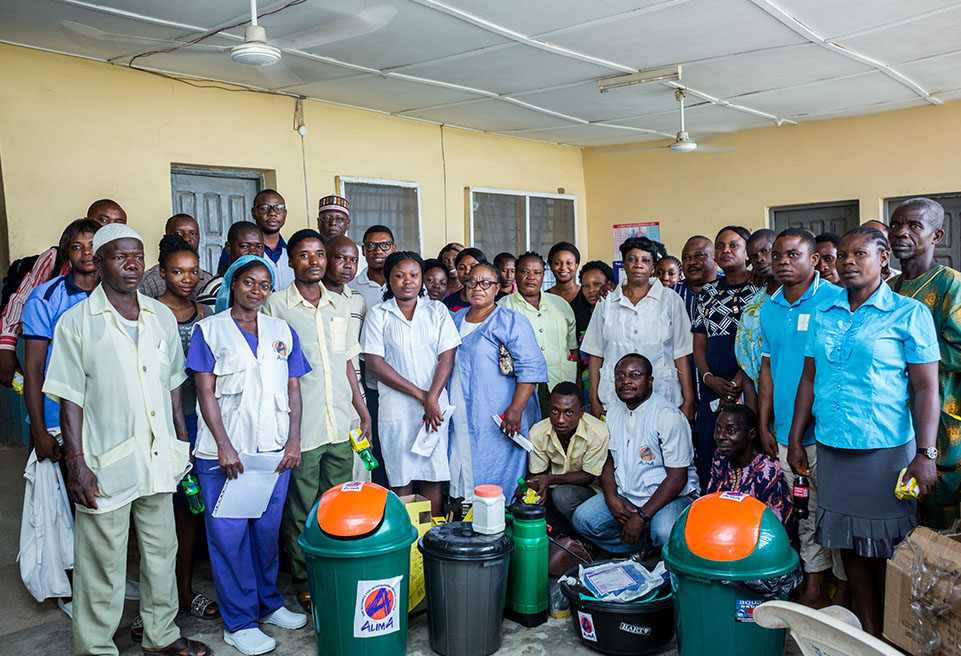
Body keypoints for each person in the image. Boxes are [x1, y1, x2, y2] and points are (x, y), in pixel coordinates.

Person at [42, 223, 211, 656]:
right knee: (103, 563)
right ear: (99, 264)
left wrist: (181, 444)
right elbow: (69, 398)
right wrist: (75, 463)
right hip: (103, 461)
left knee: (160, 553)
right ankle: (95, 647)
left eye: (136, 255)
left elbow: (174, 385)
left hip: (158, 458)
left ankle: (162, 636)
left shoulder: (159, 317)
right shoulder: (76, 322)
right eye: (120, 256)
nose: (132, 264)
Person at [786, 226, 940, 636]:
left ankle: (899, 634)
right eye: (842, 256)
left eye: (860, 254)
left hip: (886, 451)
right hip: (833, 447)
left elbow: (926, 388)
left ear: (883, 258)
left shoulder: (909, 313)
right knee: (850, 544)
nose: (848, 262)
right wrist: (798, 437)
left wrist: (925, 454)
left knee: (890, 548)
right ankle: (869, 632)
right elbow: (808, 378)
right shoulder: (823, 313)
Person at [188, 255, 309, 654]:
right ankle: (238, 622)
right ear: (232, 284)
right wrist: (223, 445)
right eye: (248, 282)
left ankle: (268, 603)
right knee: (229, 539)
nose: (256, 291)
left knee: (264, 535)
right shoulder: (209, 331)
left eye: (264, 285)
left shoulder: (281, 330)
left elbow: (293, 390)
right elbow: (205, 392)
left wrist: (293, 441)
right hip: (224, 456)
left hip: (272, 453)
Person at [264, 229, 372, 613]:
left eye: (319, 255)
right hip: (302, 428)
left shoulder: (341, 306)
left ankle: (335, 567)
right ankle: (304, 578)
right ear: (290, 262)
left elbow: (347, 363)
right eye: (304, 255)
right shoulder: (275, 306)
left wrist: (362, 411)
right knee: (300, 508)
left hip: (341, 422)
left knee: (337, 504)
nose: (314, 261)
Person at [758, 227, 846, 608]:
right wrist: (764, 423)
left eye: (793, 255)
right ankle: (814, 582)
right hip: (782, 431)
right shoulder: (769, 306)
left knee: (834, 510)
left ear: (814, 260)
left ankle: (843, 587)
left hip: (826, 431)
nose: (783, 262)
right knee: (803, 509)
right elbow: (766, 369)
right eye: (777, 255)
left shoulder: (835, 299)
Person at [20, 219, 100, 617]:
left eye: (94, 246)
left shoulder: (115, 293)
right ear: (65, 253)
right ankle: (73, 586)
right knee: (70, 501)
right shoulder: (45, 296)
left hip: (106, 417)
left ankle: (104, 575)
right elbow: (33, 369)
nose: (87, 254)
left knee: (106, 501)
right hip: (58, 416)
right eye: (78, 247)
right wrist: (38, 429)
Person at [152, 235, 220, 623]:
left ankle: (183, 589)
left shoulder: (204, 314)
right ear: (162, 273)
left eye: (193, 271)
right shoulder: (148, 312)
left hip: (198, 421)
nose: (187, 278)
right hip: (160, 423)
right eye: (177, 271)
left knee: (189, 509)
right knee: (155, 512)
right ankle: (155, 600)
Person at [362, 252, 461, 516]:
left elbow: (446, 357)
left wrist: (432, 398)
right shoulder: (378, 314)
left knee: (432, 474)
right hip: (396, 408)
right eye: (400, 275)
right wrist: (422, 396)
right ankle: (409, 545)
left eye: (414, 275)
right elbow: (375, 363)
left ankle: (431, 542)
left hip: (436, 404)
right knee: (401, 475)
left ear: (422, 280)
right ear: (388, 280)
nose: (408, 281)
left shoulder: (437, 311)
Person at [572, 354, 699, 555]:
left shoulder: (668, 416)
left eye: (635, 375)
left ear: (650, 381)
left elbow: (677, 478)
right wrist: (611, 497)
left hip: (671, 498)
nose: (626, 381)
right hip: (628, 496)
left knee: (665, 532)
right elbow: (608, 459)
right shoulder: (613, 412)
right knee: (583, 520)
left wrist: (641, 517)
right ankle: (644, 548)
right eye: (620, 376)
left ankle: (655, 543)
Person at [888, 198, 961, 529]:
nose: (901, 232)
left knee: (940, 533)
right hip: (893, 424)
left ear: (936, 235)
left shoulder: (951, 285)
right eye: (896, 225)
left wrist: (904, 356)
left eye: (914, 226)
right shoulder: (887, 288)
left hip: (943, 424)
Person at [448, 262, 547, 502]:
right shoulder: (455, 319)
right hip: (460, 406)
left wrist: (515, 410)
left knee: (497, 460)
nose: (477, 288)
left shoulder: (511, 321)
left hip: (500, 410)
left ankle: (497, 515)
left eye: (486, 283)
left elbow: (531, 369)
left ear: (497, 288)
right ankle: (466, 512)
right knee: (464, 455)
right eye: (472, 282)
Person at [0, 200, 127, 387]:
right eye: (103, 220)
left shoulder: (120, 266)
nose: (108, 228)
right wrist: (6, 348)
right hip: (50, 355)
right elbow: (21, 299)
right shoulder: (54, 260)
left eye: (118, 223)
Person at [582, 236, 695, 423]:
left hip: (663, 395)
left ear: (653, 267)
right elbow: (596, 354)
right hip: (613, 399)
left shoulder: (670, 300)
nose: (638, 265)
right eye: (632, 259)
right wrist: (593, 399)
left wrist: (689, 400)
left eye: (645, 260)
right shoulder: (607, 302)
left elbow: (681, 353)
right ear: (623, 265)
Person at [692, 226, 760, 490]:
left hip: (747, 380)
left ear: (747, 252)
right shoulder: (707, 291)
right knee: (713, 447)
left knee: (745, 446)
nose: (726, 251)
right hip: (713, 382)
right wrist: (709, 378)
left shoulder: (760, 289)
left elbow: (759, 343)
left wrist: (737, 382)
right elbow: (698, 342)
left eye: (733, 245)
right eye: (720, 246)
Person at [322, 236, 380, 484]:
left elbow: (357, 356)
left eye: (353, 260)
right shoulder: (314, 297)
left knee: (358, 473)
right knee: (326, 477)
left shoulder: (357, 299)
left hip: (355, 399)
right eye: (340, 258)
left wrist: (363, 408)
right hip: (320, 401)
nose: (347, 265)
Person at [525, 381, 609, 534]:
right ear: (548, 408)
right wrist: (531, 487)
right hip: (553, 487)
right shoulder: (538, 432)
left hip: (589, 491)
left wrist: (549, 479)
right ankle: (565, 538)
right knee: (531, 504)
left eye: (569, 412)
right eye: (555, 411)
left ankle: (585, 539)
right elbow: (537, 473)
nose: (560, 419)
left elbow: (589, 476)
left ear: (582, 412)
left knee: (562, 496)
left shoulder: (597, 432)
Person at [498, 251, 578, 412]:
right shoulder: (503, 308)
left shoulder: (560, 304)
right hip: (521, 388)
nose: (531, 277)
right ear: (516, 274)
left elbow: (573, 349)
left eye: (537, 273)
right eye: (524, 272)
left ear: (543, 275)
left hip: (561, 382)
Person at [707, 405, 792, 527]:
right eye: (718, 429)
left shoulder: (768, 472)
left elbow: (776, 527)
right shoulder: (720, 458)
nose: (720, 436)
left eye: (731, 431)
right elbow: (712, 503)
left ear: (751, 434)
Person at [216, 190, 293, 288]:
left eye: (279, 208)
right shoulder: (237, 250)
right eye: (264, 208)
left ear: (285, 213)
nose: (272, 213)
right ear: (254, 213)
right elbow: (224, 285)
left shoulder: (293, 249)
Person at [734, 228, 778, 389]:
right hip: (759, 393)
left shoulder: (800, 298)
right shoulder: (754, 304)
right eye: (753, 256)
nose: (760, 259)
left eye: (765, 251)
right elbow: (747, 364)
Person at [569, 261, 615, 398]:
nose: (591, 290)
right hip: (587, 383)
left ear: (609, 284)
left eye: (597, 284)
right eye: (586, 286)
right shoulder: (577, 313)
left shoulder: (618, 311)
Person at [140, 214, 212, 299]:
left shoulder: (208, 280)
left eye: (193, 233)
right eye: (178, 233)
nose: (186, 239)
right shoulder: (150, 281)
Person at [197, 221, 265, 311]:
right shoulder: (214, 290)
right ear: (229, 248)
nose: (253, 253)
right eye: (245, 246)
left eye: (259, 247)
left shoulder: (265, 286)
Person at [442, 247, 488, 312]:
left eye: (472, 267)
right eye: (461, 268)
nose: (467, 271)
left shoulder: (498, 299)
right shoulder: (449, 302)